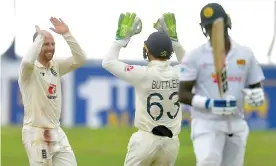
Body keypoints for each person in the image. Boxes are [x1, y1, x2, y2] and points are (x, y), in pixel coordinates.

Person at [178, 3, 265, 166]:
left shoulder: (245, 54)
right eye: (209, 27)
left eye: (217, 25)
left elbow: (255, 88)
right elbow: (182, 94)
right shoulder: (195, 56)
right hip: (206, 123)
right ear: (204, 29)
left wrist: (256, 98)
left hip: (236, 122)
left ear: (227, 22)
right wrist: (209, 103)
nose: (214, 31)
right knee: (208, 162)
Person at [102, 12, 185, 166]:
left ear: (147, 50)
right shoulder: (179, 72)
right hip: (171, 144)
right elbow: (191, 64)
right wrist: (175, 41)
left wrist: (120, 40)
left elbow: (108, 62)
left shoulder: (142, 74)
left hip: (145, 141)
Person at [18, 17, 86, 166]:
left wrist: (67, 34)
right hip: (36, 133)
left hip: (56, 130)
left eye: (53, 44)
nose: (50, 47)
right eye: (46, 44)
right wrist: (39, 37)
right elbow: (27, 61)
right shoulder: (28, 70)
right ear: (37, 46)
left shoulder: (56, 65)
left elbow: (81, 59)